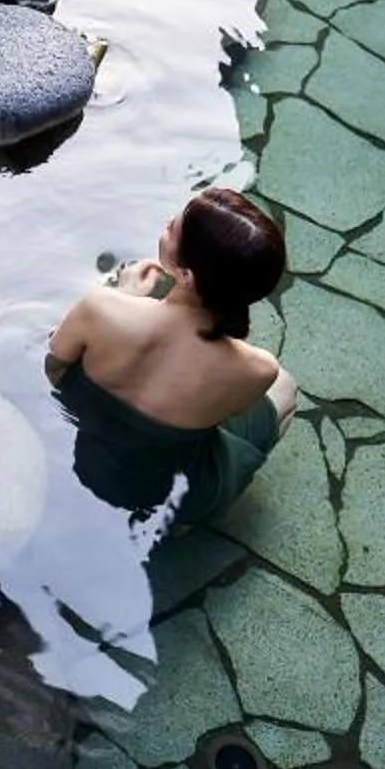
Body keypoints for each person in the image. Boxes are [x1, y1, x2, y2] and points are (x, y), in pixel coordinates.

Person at [43, 186, 297, 526]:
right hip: (173, 495)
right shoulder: (256, 368)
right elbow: (229, 410)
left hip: (87, 459)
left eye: (172, 227)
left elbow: (54, 366)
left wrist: (122, 294)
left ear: (186, 275)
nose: (166, 223)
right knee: (285, 387)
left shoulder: (100, 309)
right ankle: (185, 525)